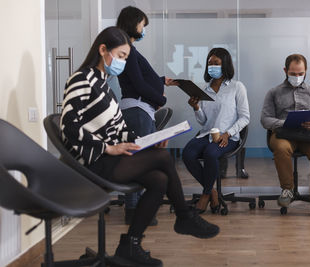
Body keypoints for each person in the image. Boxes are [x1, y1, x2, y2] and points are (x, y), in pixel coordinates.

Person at [60, 26, 219, 267]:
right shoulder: (82, 79)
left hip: (108, 158)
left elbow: (119, 129)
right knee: (163, 159)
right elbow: (68, 126)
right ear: (103, 50)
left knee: (159, 179)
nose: (123, 62)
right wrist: (107, 148)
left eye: (125, 57)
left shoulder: (104, 84)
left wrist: (148, 140)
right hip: (92, 162)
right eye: (121, 56)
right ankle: (185, 217)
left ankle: (130, 245)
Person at [116, 6, 178, 225]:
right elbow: (139, 84)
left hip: (140, 110)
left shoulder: (128, 49)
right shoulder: (128, 49)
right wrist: (160, 99)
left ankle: (137, 209)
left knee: (139, 161)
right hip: (138, 110)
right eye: (143, 25)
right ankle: (134, 211)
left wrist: (160, 81)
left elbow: (141, 78)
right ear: (133, 23)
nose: (144, 29)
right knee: (139, 163)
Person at [260, 54, 310, 221]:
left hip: (308, 136)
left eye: (300, 73)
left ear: (306, 71)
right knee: (281, 148)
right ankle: (287, 189)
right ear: (285, 71)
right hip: (284, 135)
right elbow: (265, 119)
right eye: (293, 74)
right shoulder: (274, 93)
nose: (297, 77)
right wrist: (284, 123)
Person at [182, 48, 250, 213]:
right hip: (207, 134)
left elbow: (245, 117)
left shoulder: (237, 87)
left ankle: (205, 196)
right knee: (187, 154)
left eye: (216, 63)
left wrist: (228, 133)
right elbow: (203, 121)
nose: (212, 66)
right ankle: (212, 191)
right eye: (210, 63)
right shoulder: (205, 90)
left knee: (211, 154)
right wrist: (196, 107)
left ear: (225, 65)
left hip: (229, 137)